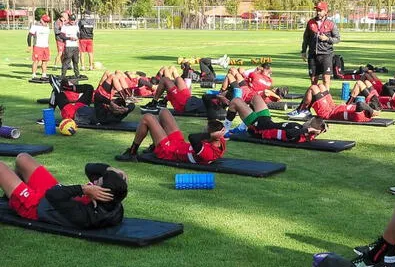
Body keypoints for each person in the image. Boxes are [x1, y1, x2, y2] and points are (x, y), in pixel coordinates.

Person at [0, 153, 128, 229]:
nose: (94, 181)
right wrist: (110, 169)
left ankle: (15, 197)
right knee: (23, 158)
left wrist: (82, 189)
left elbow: (52, 195)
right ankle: (10, 194)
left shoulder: (85, 215)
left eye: (98, 182)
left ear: (100, 192)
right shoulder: (109, 196)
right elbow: (89, 168)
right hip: (57, 193)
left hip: (36, 206)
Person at [116, 109, 226, 164]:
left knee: (147, 117)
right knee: (164, 112)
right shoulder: (219, 140)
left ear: (212, 136)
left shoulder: (208, 153)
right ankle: (154, 146)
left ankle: (132, 152)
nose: (203, 131)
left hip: (168, 151)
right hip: (180, 145)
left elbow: (192, 137)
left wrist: (210, 134)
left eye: (205, 131)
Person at [223, 95, 326, 142]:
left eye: (309, 122)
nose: (307, 121)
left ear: (310, 126)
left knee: (235, 101)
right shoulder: (301, 129)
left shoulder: (300, 134)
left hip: (258, 127)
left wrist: (309, 130)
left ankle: (224, 130)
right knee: (256, 97)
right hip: (267, 121)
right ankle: (242, 127)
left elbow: (290, 134)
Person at [287, 83, 377, 122]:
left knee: (313, 88)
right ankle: (306, 110)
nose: (367, 104)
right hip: (333, 107)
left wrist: (373, 112)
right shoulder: (364, 112)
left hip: (327, 113)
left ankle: (301, 110)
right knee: (321, 86)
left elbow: (360, 104)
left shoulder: (361, 116)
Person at [301, 1, 340, 88]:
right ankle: (315, 99)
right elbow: (306, 38)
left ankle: (326, 99)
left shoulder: (331, 24)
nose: (318, 12)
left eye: (320, 10)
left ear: (325, 11)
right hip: (313, 55)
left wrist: (327, 39)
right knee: (313, 80)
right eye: (317, 10)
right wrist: (303, 51)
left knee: (326, 79)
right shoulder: (310, 22)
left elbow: (337, 39)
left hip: (326, 55)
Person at [27, 14, 52, 80]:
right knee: (36, 61)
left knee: (45, 61)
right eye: (45, 21)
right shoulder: (35, 26)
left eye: (47, 22)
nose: (46, 23)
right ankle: (34, 75)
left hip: (45, 46)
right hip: (38, 46)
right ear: (41, 20)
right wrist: (29, 46)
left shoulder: (47, 27)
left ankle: (44, 74)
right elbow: (29, 36)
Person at [60, 14, 84, 79]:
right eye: (71, 20)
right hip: (68, 46)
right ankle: (63, 75)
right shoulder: (65, 26)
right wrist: (69, 38)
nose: (72, 21)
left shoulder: (76, 26)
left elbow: (79, 35)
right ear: (69, 20)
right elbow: (61, 36)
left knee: (76, 61)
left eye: (73, 20)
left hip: (75, 46)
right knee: (66, 61)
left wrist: (77, 37)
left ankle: (77, 74)